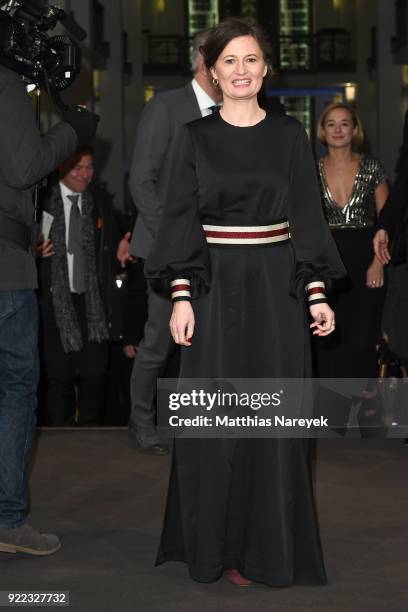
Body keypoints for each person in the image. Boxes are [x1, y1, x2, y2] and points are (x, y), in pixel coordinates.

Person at [145, 18, 345, 587]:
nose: (240, 70)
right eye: (229, 60)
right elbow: (180, 225)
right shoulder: (193, 137)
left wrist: (315, 295)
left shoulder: (288, 136)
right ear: (211, 70)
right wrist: (181, 298)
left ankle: (265, 549)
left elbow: (306, 221)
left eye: (251, 59)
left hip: (276, 293)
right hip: (211, 291)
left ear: (265, 69)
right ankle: (216, 548)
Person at [0, 59, 98, 552]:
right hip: (3, 271)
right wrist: (71, 130)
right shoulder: (4, 80)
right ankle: (7, 522)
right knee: (14, 391)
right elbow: (22, 167)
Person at [126, 31, 222, 454]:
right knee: (158, 343)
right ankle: (141, 423)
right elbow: (141, 180)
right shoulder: (165, 107)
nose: (238, 67)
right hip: (167, 249)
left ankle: (194, 424)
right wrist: (172, 239)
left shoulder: (233, 112)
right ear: (205, 61)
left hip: (218, 249)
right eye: (228, 58)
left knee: (206, 344)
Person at [37, 147, 125, 426]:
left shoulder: (100, 203)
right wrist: (34, 251)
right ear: (62, 168)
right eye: (78, 168)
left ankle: (89, 439)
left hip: (92, 304)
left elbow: (111, 247)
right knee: (59, 377)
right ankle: (58, 440)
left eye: (89, 167)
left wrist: (120, 249)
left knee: (95, 374)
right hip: (54, 304)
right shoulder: (41, 203)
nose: (85, 174)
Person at [315, 103, 389, 381]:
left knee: (363, 338)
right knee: (328, 337)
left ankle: (365, 407)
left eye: (344, 123)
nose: (337, 129)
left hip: (367, 258)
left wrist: (378, 263)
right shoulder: (310, 169)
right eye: (331, 123)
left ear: (355, 129)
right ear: (322, 130)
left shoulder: (371, 166)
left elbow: (386, 222)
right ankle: (329, 412)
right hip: (327, 260)